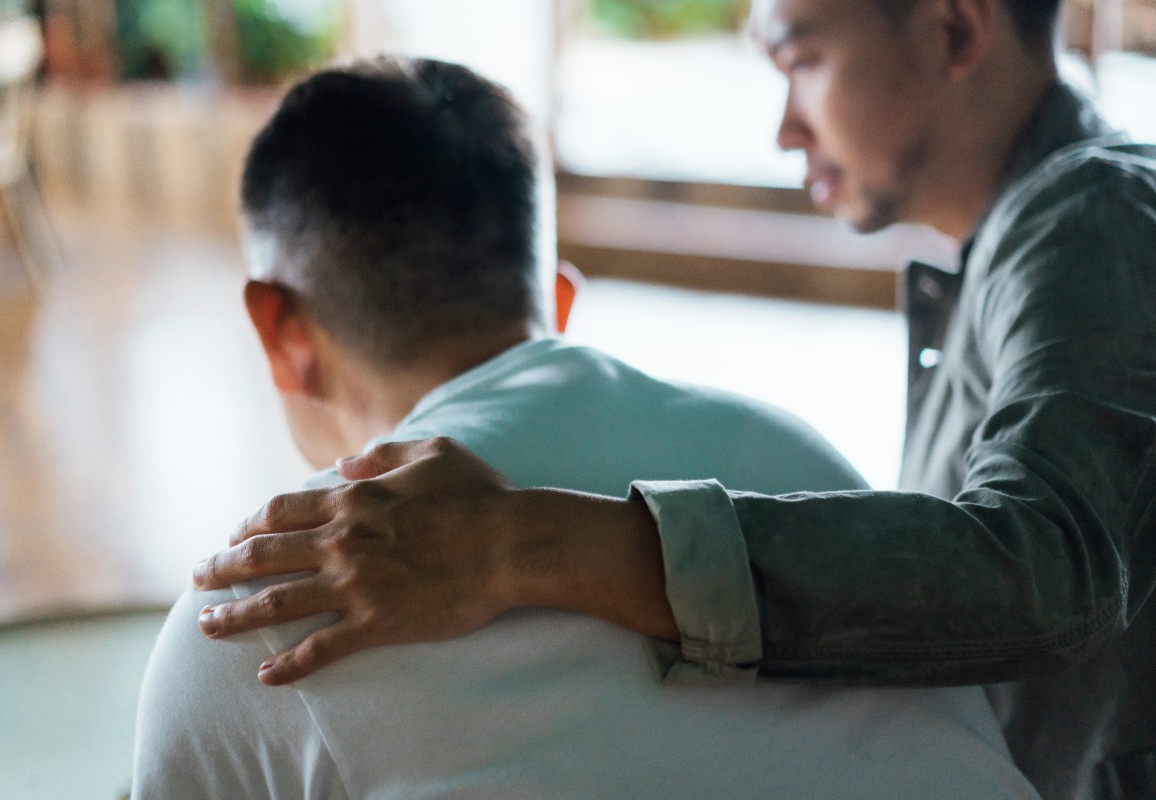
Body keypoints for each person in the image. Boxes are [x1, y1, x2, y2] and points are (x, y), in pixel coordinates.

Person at [192, 1, 1156, 793]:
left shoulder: (1094, 212)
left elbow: (1050, 568)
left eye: (803, 59)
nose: (784, 125)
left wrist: (512, 543)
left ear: (954, 29)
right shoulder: (1023, 249)